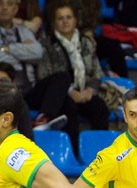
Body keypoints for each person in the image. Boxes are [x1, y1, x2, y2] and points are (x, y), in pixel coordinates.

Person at [0, 0, 72, 137]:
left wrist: (7, 49)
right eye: (0, 4)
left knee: (64, 88)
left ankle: (44, 121)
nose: (5, 7)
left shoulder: (23, 31)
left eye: (10, 4)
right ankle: (29, 150)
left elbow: (37, 52)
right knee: (17, 100)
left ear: (16, 9)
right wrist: (23, 52)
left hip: (29, 88)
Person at [37, 2, 110, 133]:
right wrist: (70, 92)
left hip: (84, 92)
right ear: (54, 22)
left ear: (75, 20)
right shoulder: (46, 45)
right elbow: (44, 75)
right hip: (61, 96)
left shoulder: (86, 42)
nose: (65, 22)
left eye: (69, 17)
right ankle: (74, 151)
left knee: (100, 107)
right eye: (60, 18)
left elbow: (97, 72)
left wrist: (90, 90)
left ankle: (101, 151)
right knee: (69, 108)